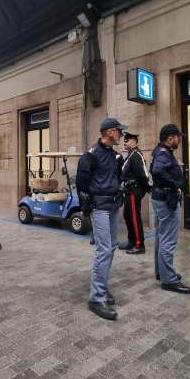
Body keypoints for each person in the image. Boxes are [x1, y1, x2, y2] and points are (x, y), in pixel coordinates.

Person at [76, 117, 126, 321]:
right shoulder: (91, 155)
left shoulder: (114, 156)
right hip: (100, 208)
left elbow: (117, 178)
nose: (121, 135)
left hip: (112, 206)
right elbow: (82, 183)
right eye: (119, 131)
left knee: (111, 246)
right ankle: (96, 298)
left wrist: (121, 189)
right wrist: (86, 202)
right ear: (109, 132)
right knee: (104, 249)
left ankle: (101, 288)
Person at [151, 124, 190, 294]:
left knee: (161, 238)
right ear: (170, 138)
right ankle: (169, 280)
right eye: (178, 137)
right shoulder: (163, 153)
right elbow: (157, 171)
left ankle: (163, 272)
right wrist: (176, 184)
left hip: (161, 198)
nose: (179, 140)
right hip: (166, 201)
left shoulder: (163, 152)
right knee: (168, 239)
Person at [119, 132, 151, 254]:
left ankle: (139, 245)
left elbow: (143, 174)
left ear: (134, 141)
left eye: (127, 140)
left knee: (134, 217)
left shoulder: (136, 155)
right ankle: (131, 241)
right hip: (128, 190)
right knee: (127, 216)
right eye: (124, 140)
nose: (124, 142)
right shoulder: (130, 155)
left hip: (134, 191)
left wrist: (147, 188)